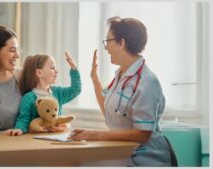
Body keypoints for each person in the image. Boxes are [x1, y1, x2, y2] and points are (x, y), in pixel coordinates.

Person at [69, 16, 176, 166]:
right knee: (76, 161)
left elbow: (143, 134)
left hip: (143, 159)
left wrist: (95, 134)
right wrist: (95, 80)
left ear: (121, 43)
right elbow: (108, 111)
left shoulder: (147, 82)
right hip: (122, 153)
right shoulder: (121, 76)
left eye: (108, 41)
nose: (106, 48)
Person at [6, 53, 81, 136]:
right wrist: (19, 129)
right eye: (52, 68)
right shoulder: (28, 98)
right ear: (39, 72)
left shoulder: (58, 92)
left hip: (57, 138)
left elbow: (76, 90)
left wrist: (74, 69)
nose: (56, 71)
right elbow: (24, 118)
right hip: (37, 141)